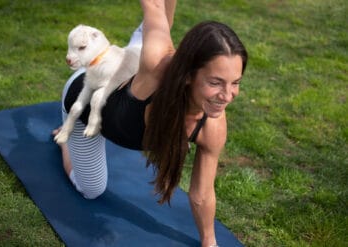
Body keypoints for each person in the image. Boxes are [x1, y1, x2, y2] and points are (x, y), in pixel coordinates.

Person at [53, 1, 248, 246]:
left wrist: (210, 243)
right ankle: (65, 142)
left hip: (127, 71)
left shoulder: (213, 125)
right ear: (188, 75)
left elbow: (202, 194)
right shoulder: (158, 65)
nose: (228, 96)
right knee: (91, 190)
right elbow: (154, 6)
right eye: (216, 82)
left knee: (149, 42)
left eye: (236, 82)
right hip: (87, 96)